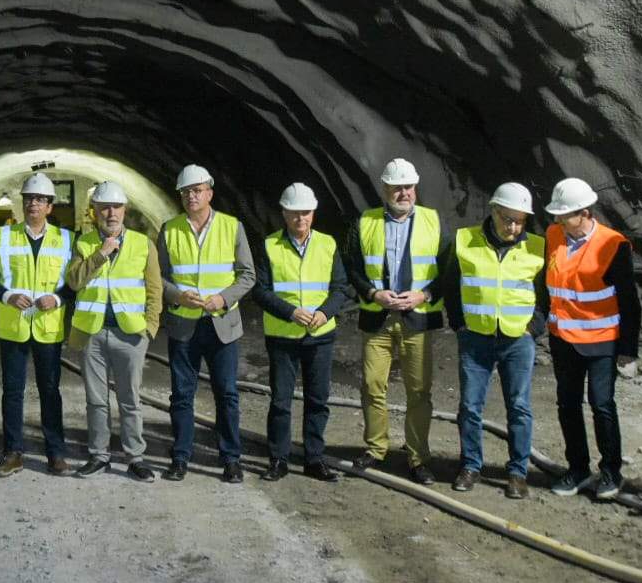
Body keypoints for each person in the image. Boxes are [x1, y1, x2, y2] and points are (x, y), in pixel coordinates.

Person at [341, 158, 450, 484]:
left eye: (409, 187)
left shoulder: (434, 221)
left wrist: (424, 295)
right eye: (397, 188)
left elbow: (449, 269)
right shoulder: (365, 222)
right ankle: (376, 449)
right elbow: (351, 264)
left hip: (417, 318)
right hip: (378, 318)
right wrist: (372, 293)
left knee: (419, 391)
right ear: (385, 189)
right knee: (372, 385)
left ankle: (418, 458)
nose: (404, 193)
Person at [443, 183, 548, 499]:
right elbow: (451, 285)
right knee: (470, 406)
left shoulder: (537, 247)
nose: (513, 227)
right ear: (494, 211)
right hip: (476, 338)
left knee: (519, 407)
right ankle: (471, 465)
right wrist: (460, 324)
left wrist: (533, 328)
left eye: (520, 221)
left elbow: (544, 295)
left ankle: (517, 472)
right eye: (508, 219)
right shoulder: (465, 240)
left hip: (518, 340)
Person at [542, 178, 640, 501]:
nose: (558, 219)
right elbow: (548, 286)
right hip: (563, 340)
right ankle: (578, 468)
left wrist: (627, 350)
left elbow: (629, 301)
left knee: (601, 404)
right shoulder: (553, 235)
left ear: (585, 212)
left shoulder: (613, 244)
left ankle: (611, 470)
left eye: (564, 214)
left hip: (601, 341)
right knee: (568, 404)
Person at [158, 164, 256, 483]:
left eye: (197, 190)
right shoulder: (169, 229)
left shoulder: (231, 227)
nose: (191, 196)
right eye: (186, 192)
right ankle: (180, 456)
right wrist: (177, 295)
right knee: (181, 395)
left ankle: (230, 458)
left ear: (210, 193)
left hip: (221, 324)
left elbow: (248, 275)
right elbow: (158, 277)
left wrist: (223, 299)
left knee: (226, 393)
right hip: (184, 324)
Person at [249, 183, 350, 483]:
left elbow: (340, 287)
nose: (300, 218)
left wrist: (325, 313)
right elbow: (260, 290)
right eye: (294, 213)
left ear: (313, 213)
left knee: (318, 400)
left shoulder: (328, 244)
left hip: (320, 336)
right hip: (283, 336)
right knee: (281, 401)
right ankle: (278, 459)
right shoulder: (269, 245)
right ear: (284, 213)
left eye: (305, 213)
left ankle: (314, 459)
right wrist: (290, 312)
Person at [65, 181, 163, 481]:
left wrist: (150, 328)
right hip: (92, 333)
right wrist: (101, 254)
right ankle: (99, 455)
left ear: (125, 210)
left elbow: (154, 289)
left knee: (130, 399)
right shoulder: (83, 243)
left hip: (130, 334)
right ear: (94, 211)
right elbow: (74, 282)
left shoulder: (143, 243)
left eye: (116, 207)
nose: (111, 213)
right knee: (96, 400)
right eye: (104, 207)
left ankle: (135, 457)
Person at [0, 171, 74, 477]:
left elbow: (75, 283)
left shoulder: (66, 240)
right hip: (15, 326)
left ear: (50, 206)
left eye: (40, 199)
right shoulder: (5, 236)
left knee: (50, 391)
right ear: (23, 204)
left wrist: (57, 299)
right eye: (29, 198)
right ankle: (13, 452)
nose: (33, 203)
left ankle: (55, 453)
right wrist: (7, 295)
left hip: (48, 327)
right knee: (13, 391)